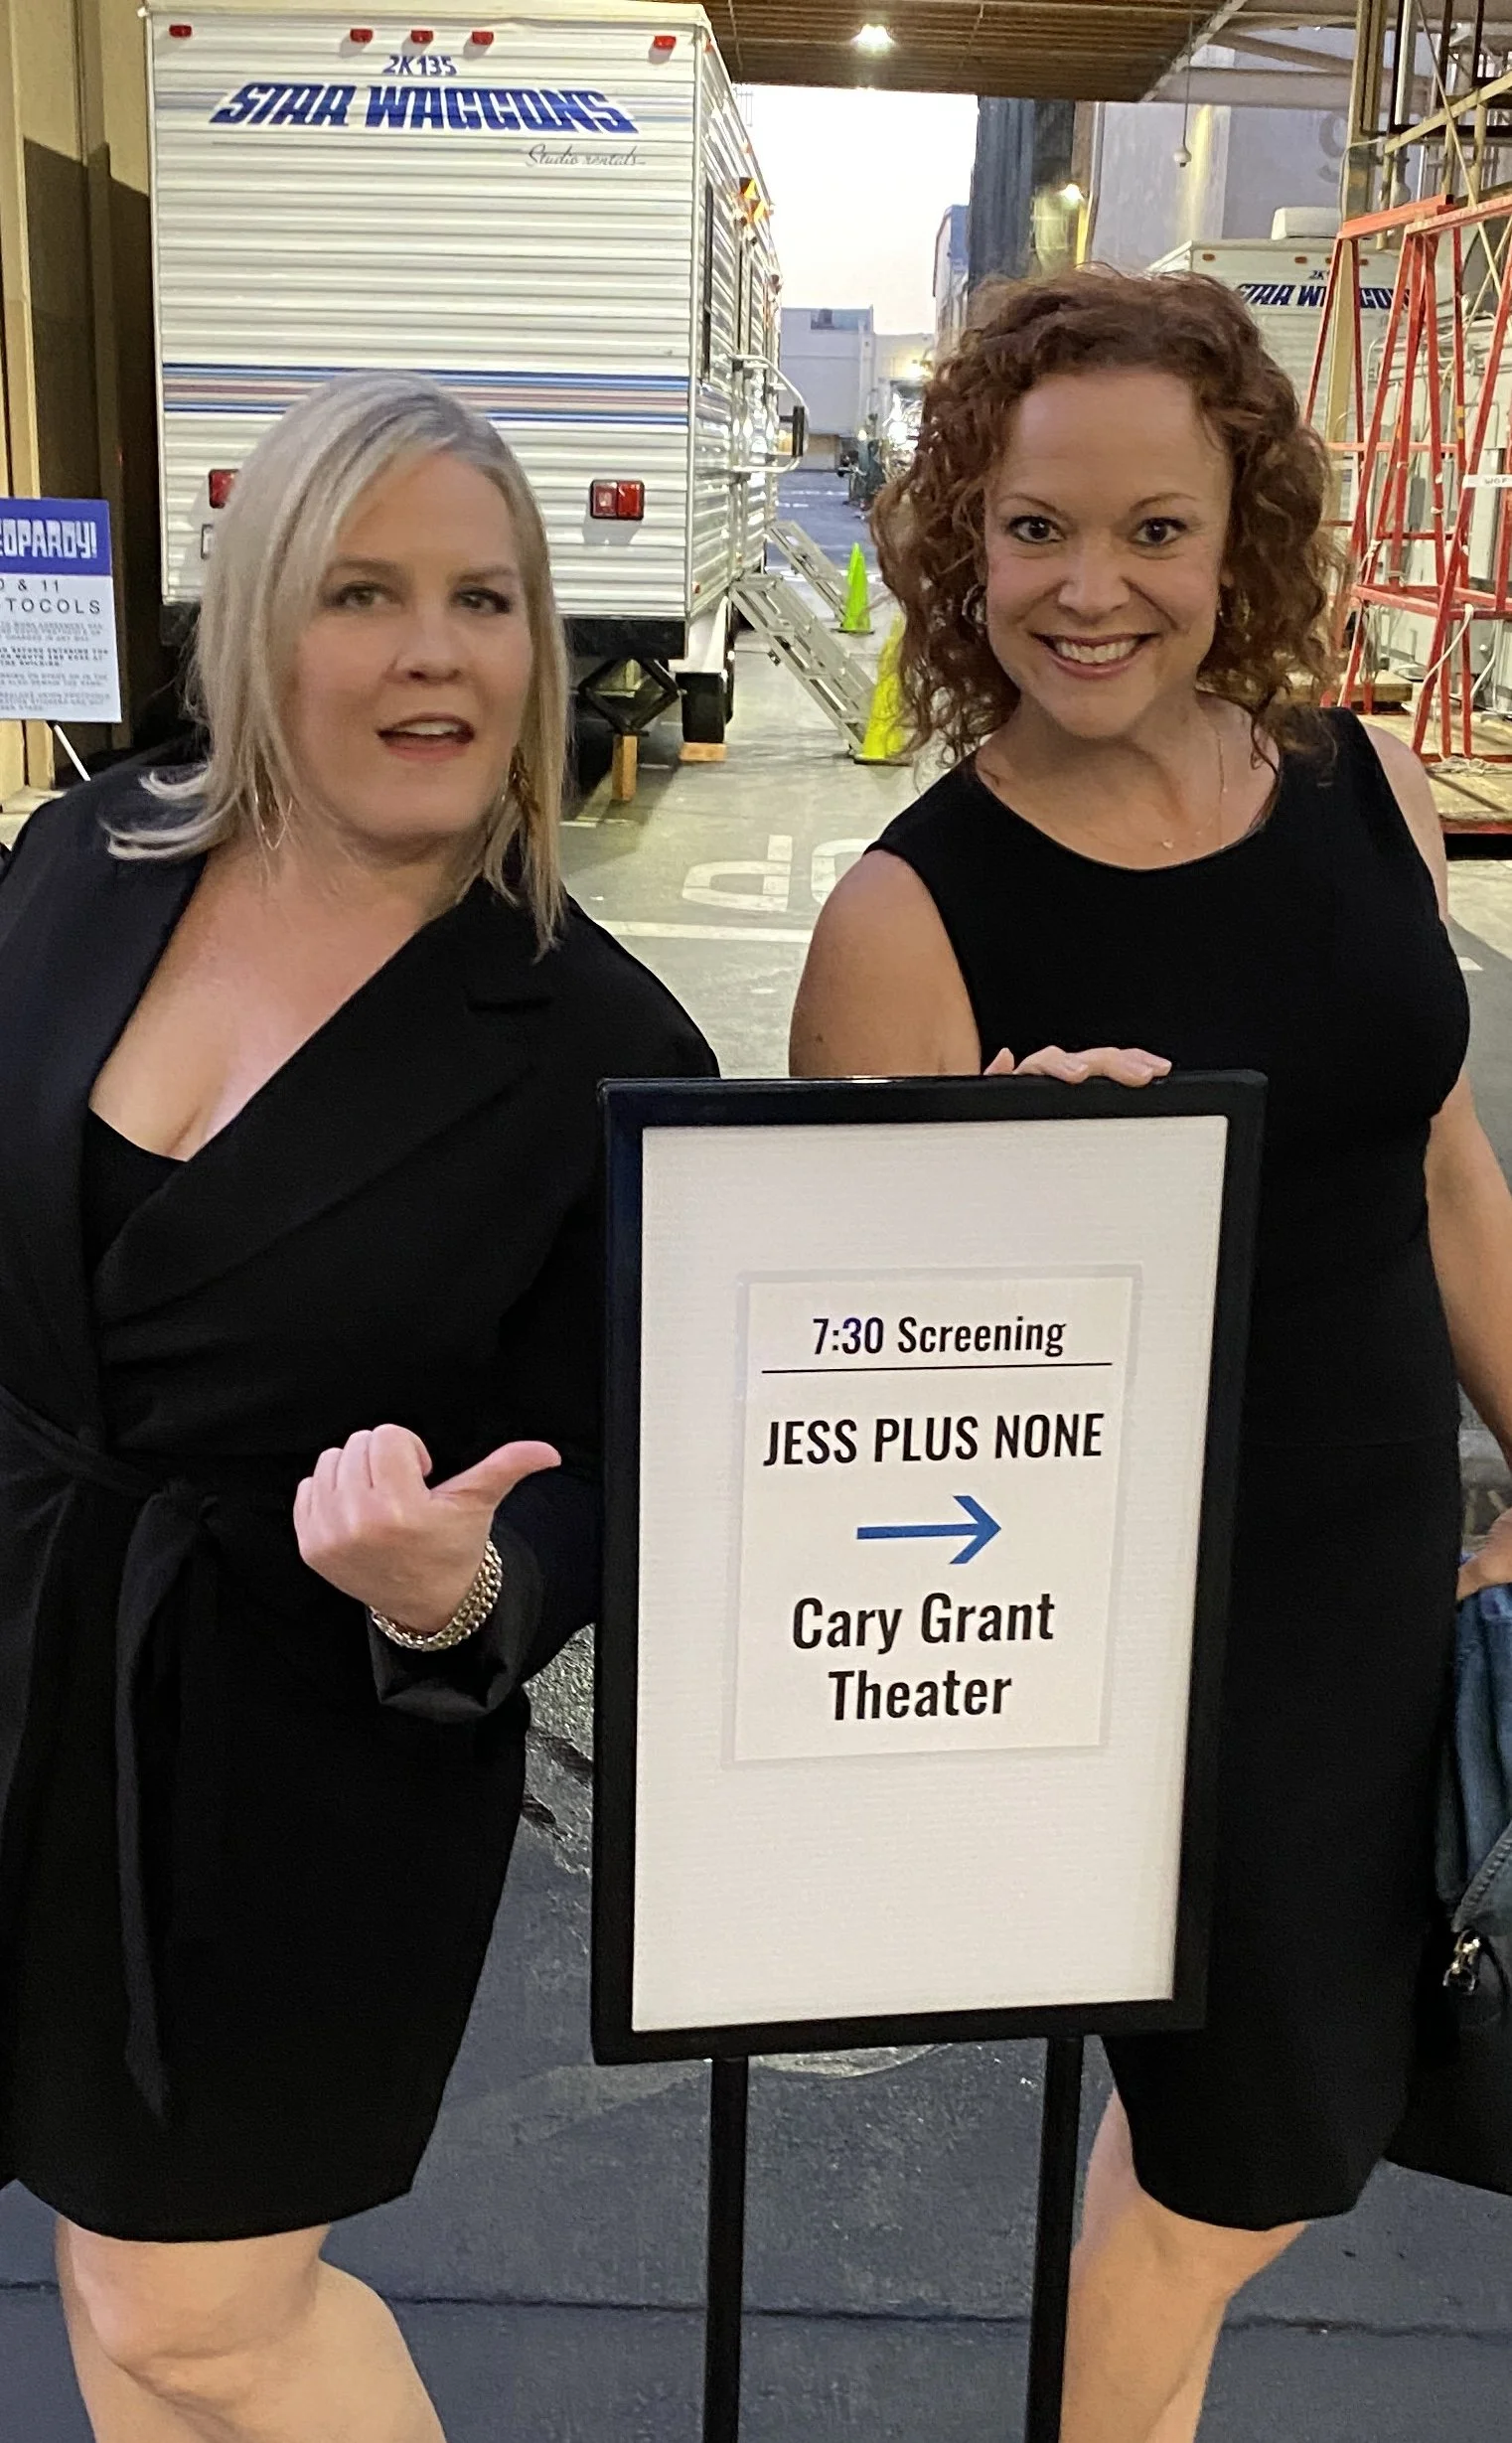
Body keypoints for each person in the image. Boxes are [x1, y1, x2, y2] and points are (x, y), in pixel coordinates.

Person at [790, 268, 1512, 2443]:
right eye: (1030, 529)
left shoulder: (1363, 785)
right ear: (955, 540)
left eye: (1152, 530)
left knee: (1287, 2132)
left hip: (1386, 1571)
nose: (1086, 589)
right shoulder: (905, 919)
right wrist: (1010, 1181)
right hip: (1145, 1647)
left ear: (1239, 534)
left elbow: (1441, 1175)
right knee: (1233, 2167)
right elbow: (843, 1395)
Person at [0, 371, 712, 2443]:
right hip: (34, 1662)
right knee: (114, 2285)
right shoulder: (84, 863)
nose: (435, 649)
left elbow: (621, 1467)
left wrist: (456, 1579)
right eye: (365, 590)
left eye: (485, 599)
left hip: (301, 1763)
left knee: (198, 2306)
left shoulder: (590, 1032)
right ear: (256, 627)